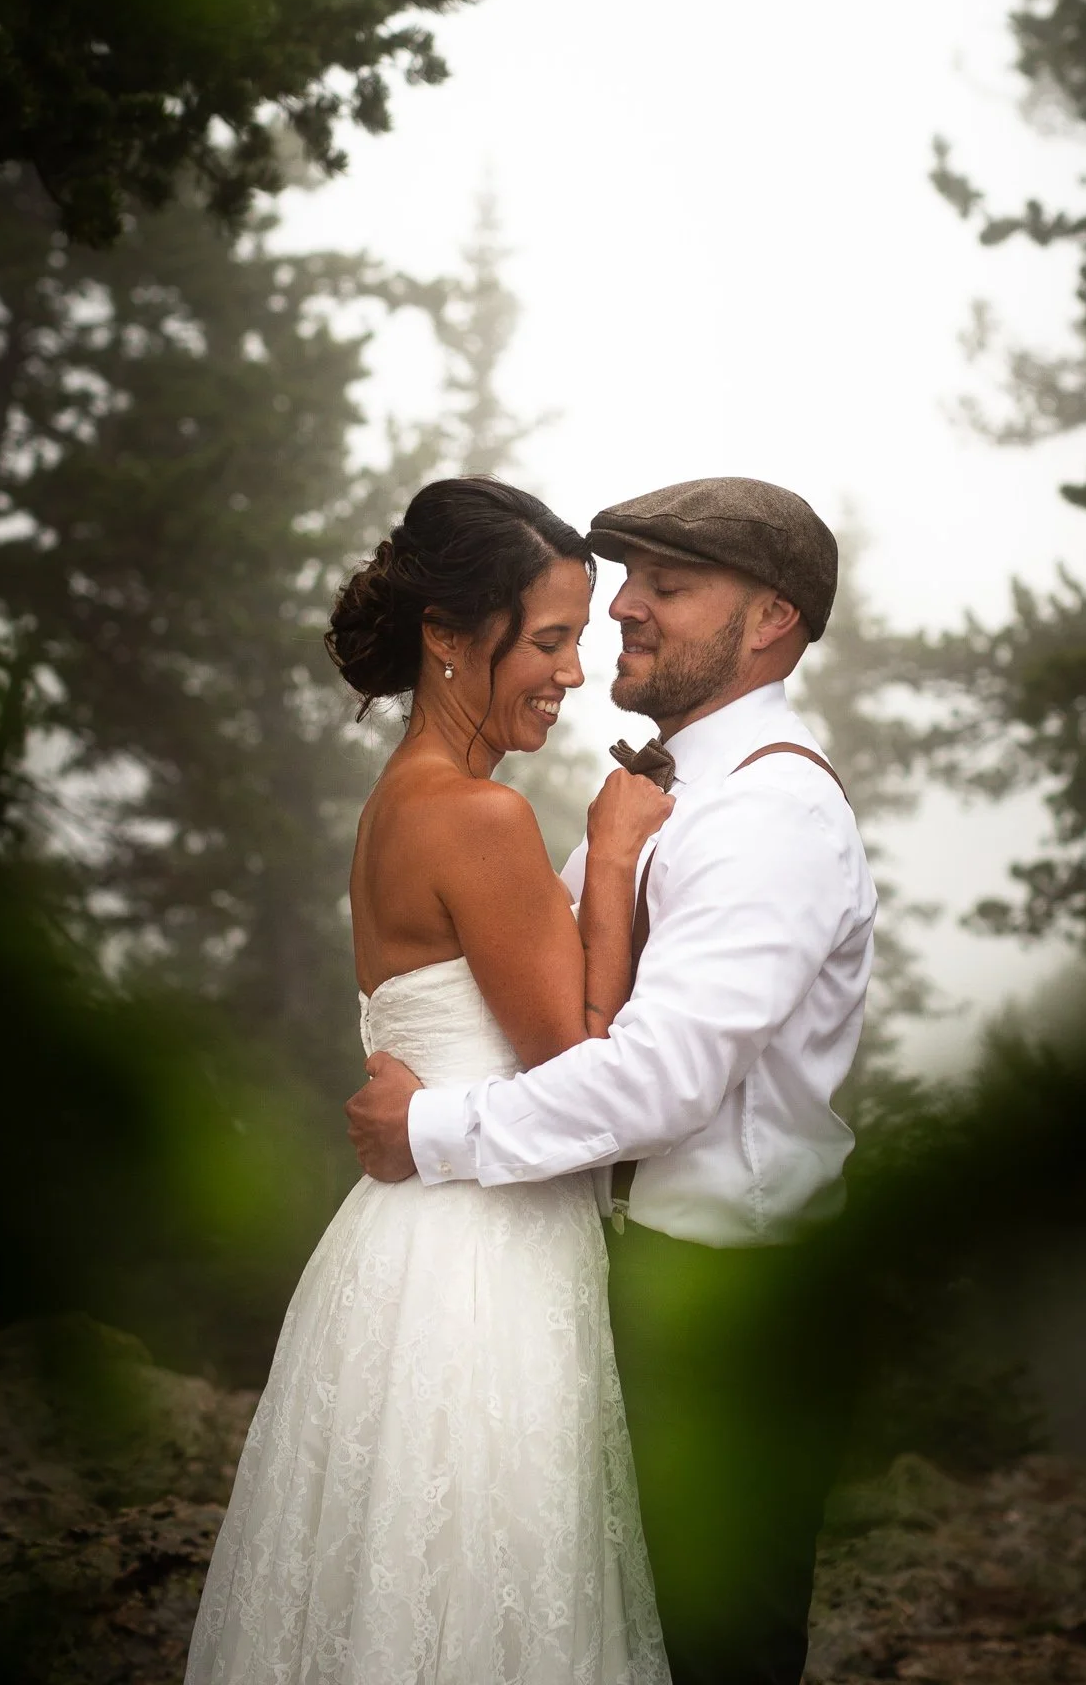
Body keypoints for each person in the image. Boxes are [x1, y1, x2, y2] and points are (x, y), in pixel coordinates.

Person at [348, 476, 878, 1685]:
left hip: (728, 1303)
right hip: (609, 1278)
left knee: (712, 1650)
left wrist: (431, 1127)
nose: (625, 608)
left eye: (666, 586)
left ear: (770, 622)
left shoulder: (773, 813)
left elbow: (657, 1079)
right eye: (626, 580)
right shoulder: (648, 803)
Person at [185, 477, 673, 1685]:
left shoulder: (394, 803)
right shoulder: (480, 819)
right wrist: (612, 860)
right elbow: (585, 1071)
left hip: (403, 1250)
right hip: (480, 1267)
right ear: (450, 637)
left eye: (580, 635)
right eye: (550, 638)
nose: (573, 670)